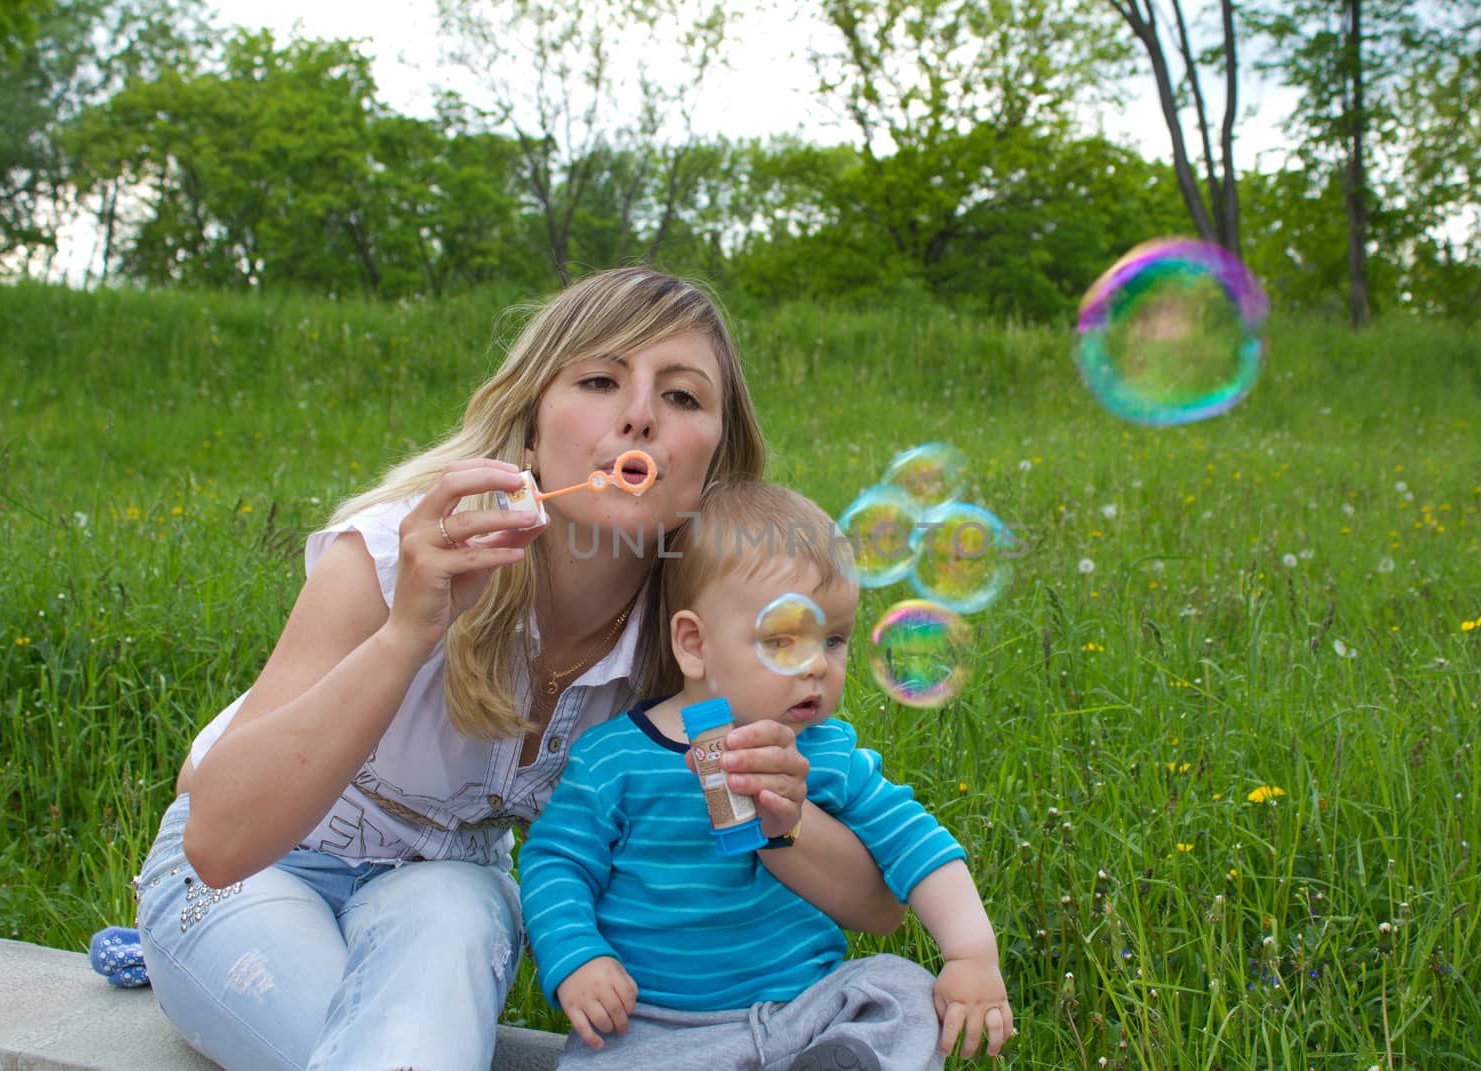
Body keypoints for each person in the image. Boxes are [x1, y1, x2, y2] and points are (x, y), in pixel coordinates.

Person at [132, 268, 908, 1071]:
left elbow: (874, 904)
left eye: (682, 397)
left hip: (449, 887)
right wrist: (409, 632)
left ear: (714, 464)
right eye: (601, 380)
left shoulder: (694, 645)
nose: (640, 414)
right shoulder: (404, 550)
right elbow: (220, 845)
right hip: (251, 873)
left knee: (450, 922)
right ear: (531, 430)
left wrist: (777, 813)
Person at [518, 481, 1014, 1071]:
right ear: (695, 645)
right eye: (782, 641)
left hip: (806, 1015)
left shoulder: (827, 756)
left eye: (833, 640)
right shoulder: (613, 761)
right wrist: (577, 959)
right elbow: (555, 862)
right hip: (655, 1028)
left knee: (900, 988)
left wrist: (971, 955)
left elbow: (917, 844)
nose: (814, 665)